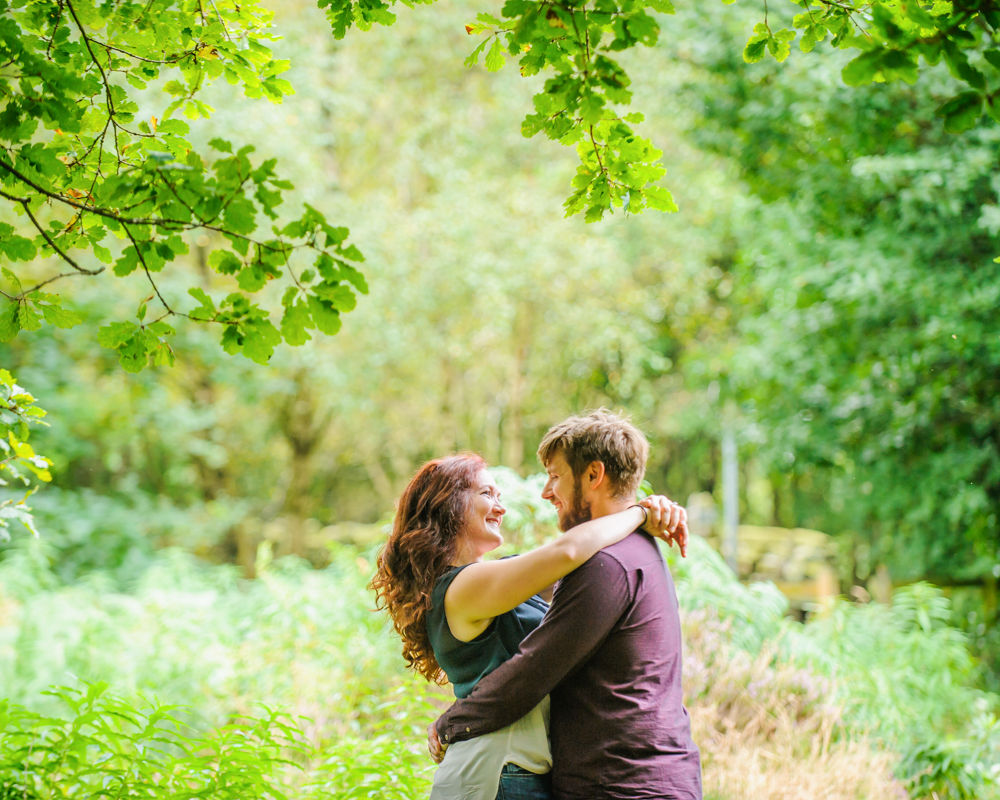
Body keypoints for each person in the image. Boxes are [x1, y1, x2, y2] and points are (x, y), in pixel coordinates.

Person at [369, 451, 687, 800]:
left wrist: (652, 509)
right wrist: (639, 513)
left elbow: (584, 566)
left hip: (513, 770)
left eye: (500, 497)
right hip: (496, 771)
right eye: (487, 494)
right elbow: (567, 552)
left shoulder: (493, 580)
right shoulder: (462, 588)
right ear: (448, 504)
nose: (501, 508)